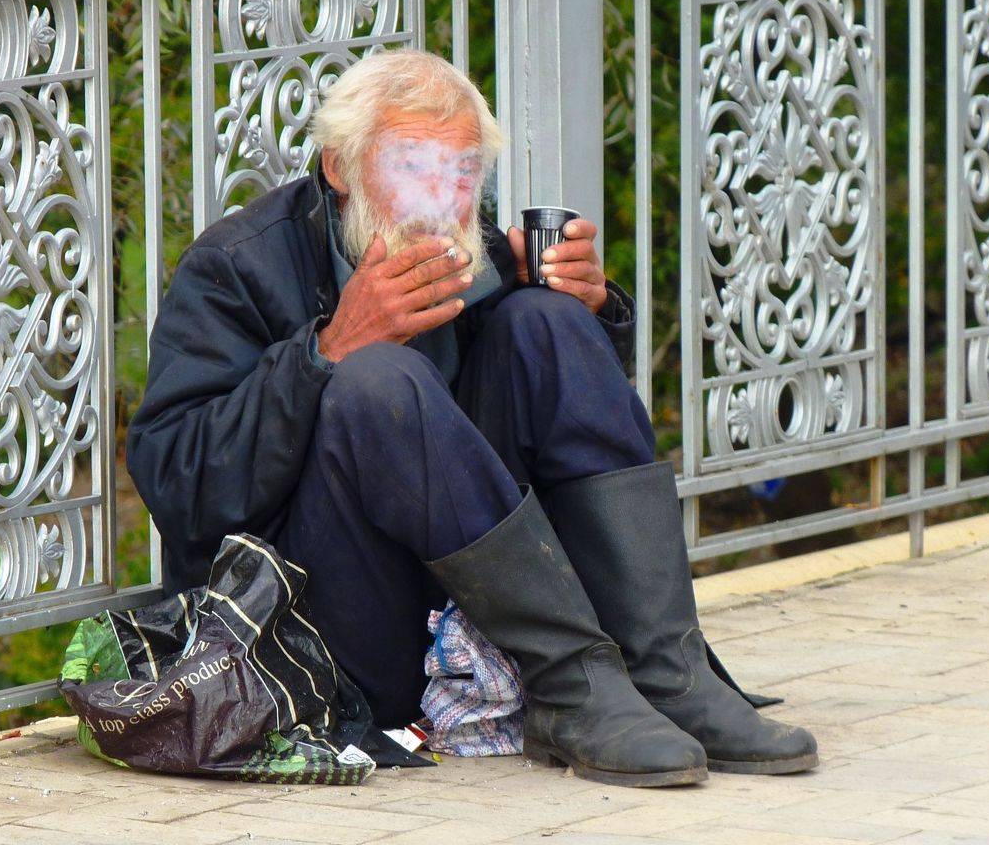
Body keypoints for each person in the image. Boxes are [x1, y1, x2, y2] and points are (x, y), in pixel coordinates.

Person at [126, 49, 816, 787]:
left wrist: (587, 313)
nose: (440, 198)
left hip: (469, 611)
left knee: (545, 324)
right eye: (411, 166)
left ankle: (668, 675)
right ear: (339, 167)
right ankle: (574, 682)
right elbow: (181, 486)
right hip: (326, 627)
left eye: (461, 173)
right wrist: (326, 352)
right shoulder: (236, 265)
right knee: (376, 379)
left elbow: (553, 426)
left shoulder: (477, 256)